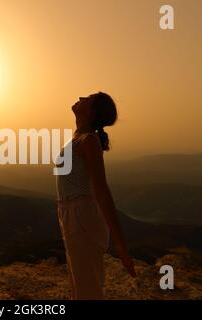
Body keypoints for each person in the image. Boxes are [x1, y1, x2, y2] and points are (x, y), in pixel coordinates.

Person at [55, 92, 136, 300]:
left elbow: (102, 192)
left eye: (88, 98)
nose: (81, 97)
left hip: (82, 216)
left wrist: (121, 246)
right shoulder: (78, 138)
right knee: (79, 284)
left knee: (87, 288)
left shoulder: (89, 141)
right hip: (71, 214)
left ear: (92, 113)